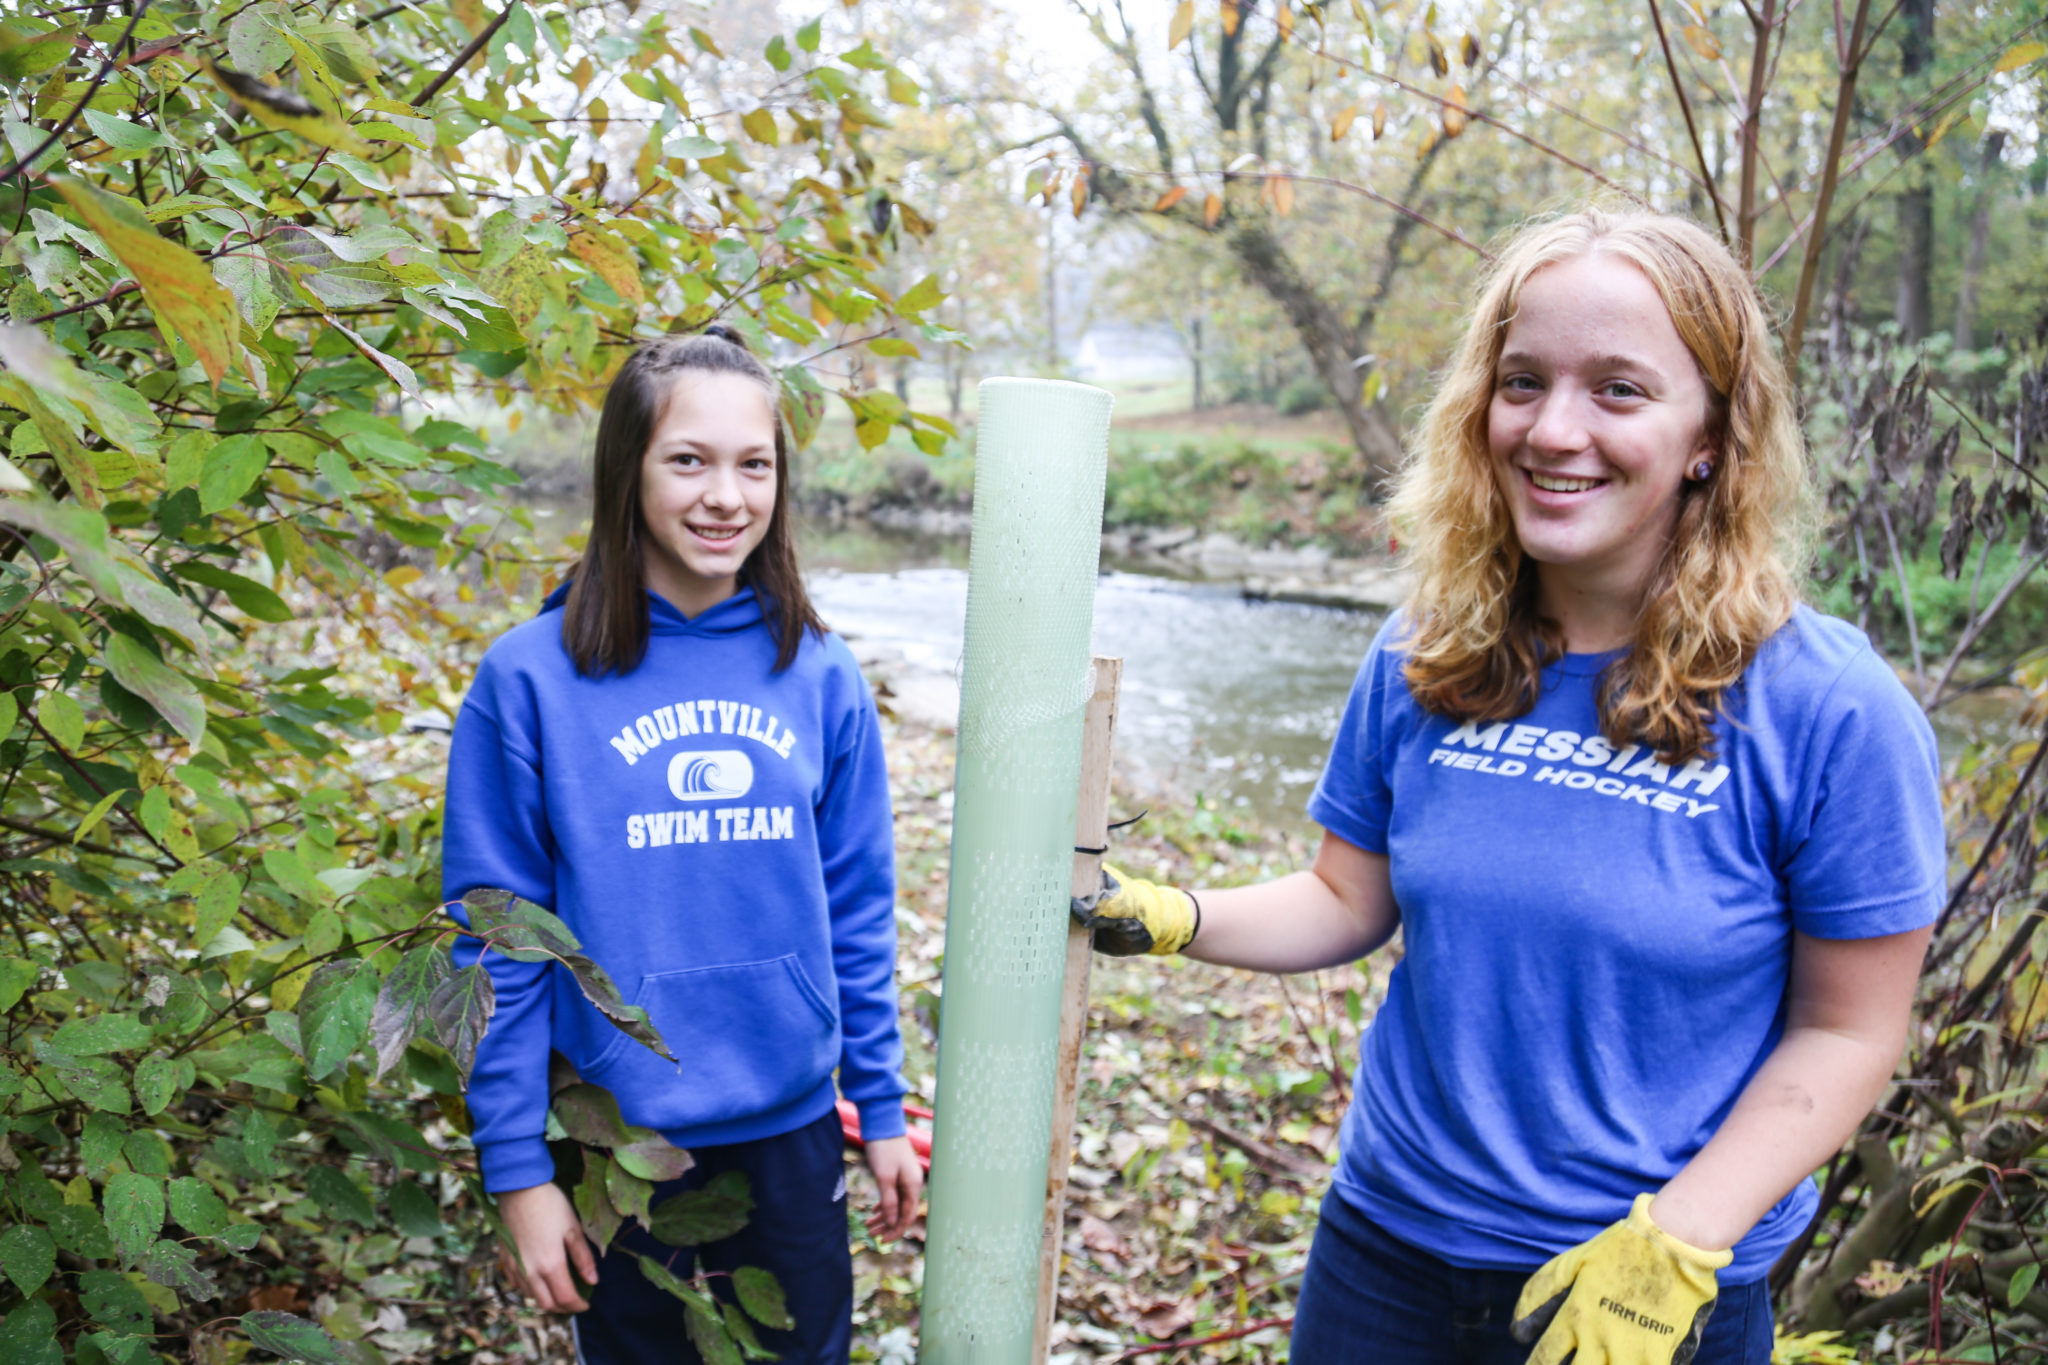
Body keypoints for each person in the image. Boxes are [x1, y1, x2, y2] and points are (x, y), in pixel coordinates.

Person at [1074, 210, 1945, 1365]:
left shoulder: (1827, 710)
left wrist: (1680, 1244)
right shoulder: (1424, 653)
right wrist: (1181, 918)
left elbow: (1846, 1031)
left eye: (1618, 390)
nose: (1552, 429)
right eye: (1521, 381)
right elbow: (1345, 900)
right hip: (1382, 1256)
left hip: (1644, 1294)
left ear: (1709, 438)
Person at [441, 328, 922, 1365]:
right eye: (688, 460)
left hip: (791, 1125)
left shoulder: (819, 672)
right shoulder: (528, 682)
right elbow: (496, 946)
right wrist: (518, 1169)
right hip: (617, 1131)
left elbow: (856, 911)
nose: (725, 497)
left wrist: (876, 1104)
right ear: (629, 470)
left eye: (754, 464)